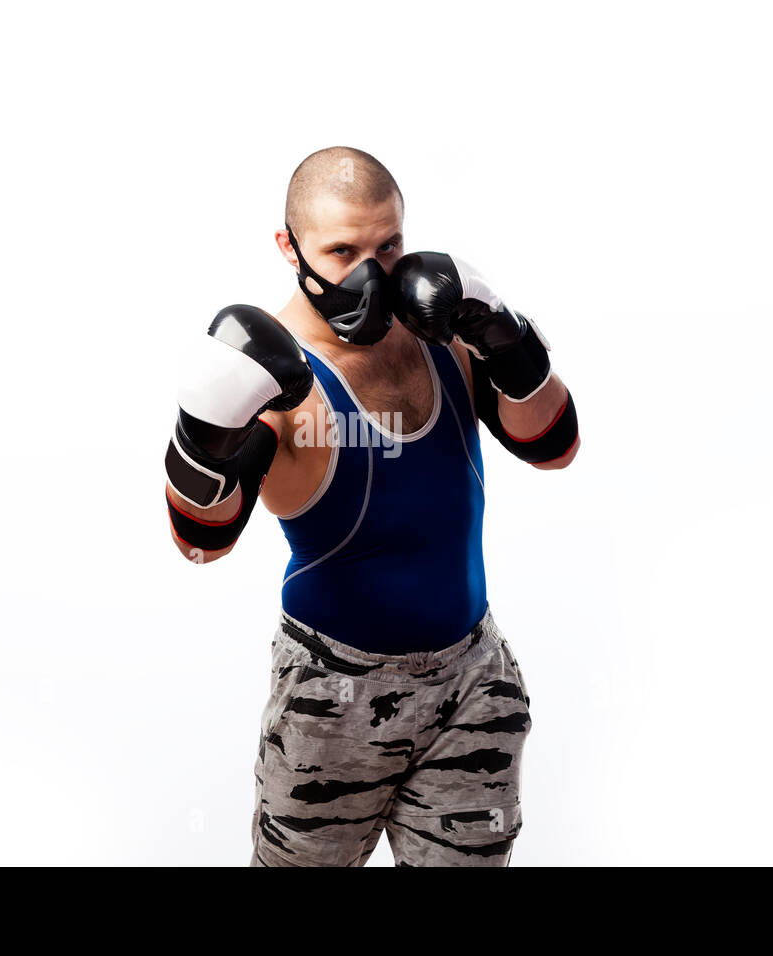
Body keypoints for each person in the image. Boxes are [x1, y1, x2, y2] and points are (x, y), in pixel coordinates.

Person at [164, 147, 580, 866]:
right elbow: (201, 539)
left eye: (388, 245)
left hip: (472, 680)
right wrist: (201, 434)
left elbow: (554, 444)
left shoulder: (443, 334)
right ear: (287, 247)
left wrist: (505, 334)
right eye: (342, 250)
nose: (371, 271)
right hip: (333, 697)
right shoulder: (275, 382)